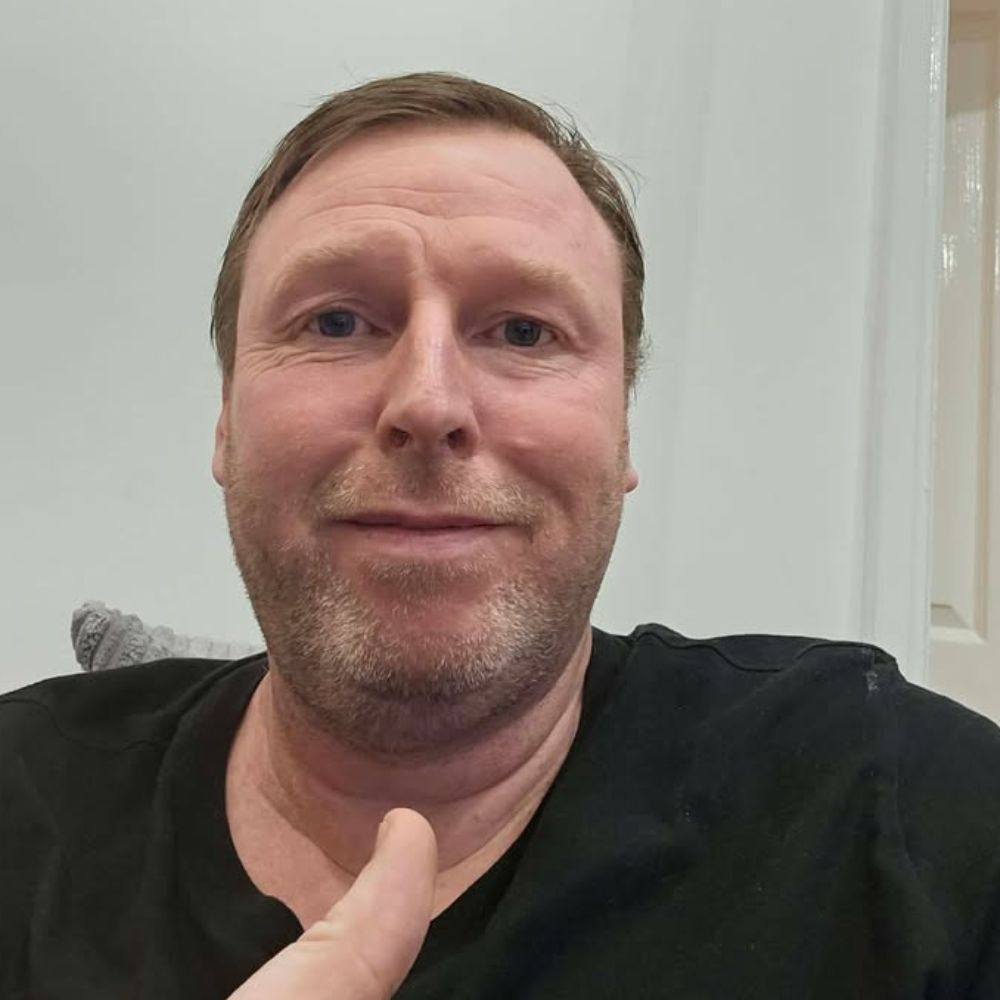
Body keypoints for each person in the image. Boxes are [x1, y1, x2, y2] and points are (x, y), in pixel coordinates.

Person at [2, 71, 999, 1000]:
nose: (428, 402)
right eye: (337, 322)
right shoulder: (23, 798)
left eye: (524, 332)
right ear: (225, 422)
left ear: (621, 434)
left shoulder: (898, 812)